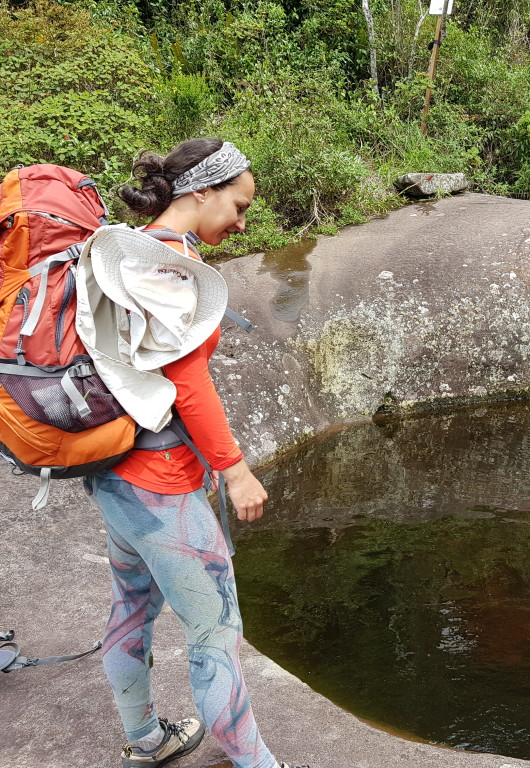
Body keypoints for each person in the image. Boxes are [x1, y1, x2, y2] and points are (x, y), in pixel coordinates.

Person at [83, 138, 310, 768]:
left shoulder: (123, 251)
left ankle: (147, 739)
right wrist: (235, 472)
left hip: (111, 471)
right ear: (200, 191)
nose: (241, 222)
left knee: (132, 605)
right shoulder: (169, 268)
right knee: (215, 632)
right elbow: (188, 383)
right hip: (160, 480)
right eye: (237, 205)